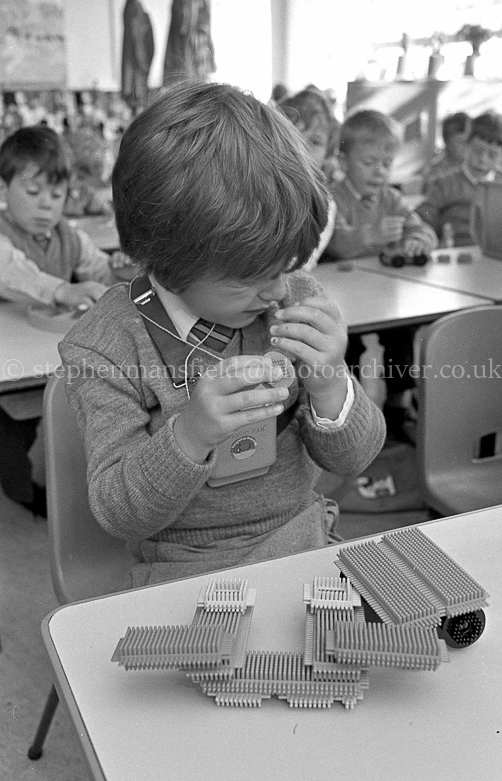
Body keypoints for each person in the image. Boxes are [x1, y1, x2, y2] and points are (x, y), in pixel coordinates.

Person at [58, 81, 386, 587]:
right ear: (167, 261)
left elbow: (355, 457)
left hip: (303, 545)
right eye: (252, 277)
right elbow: (119, 511)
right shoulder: (106, 345)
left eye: (288, 265)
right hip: (186, 570)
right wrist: (191, 434)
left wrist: (330, 384)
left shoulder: (292, 295)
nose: (279, 289)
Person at [0, 125, 127, 516]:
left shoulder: (68, 235)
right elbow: (13, 272)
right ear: (4, 191)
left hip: (49, 352)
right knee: (9, 437)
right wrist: (61, 290)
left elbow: (98, 269)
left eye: (55, 196)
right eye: (33, 193)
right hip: (9, 362)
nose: (45, 207)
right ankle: (23, 491)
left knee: (80, 410)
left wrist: (118, 269)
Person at [321, 109, 437, 444]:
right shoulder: (333, 198)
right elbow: (338, 242)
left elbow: (422, 227)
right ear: (343, 161)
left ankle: (399, 407)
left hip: (385, 298)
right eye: (369, 162)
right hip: (345, 302)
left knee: (401, 339)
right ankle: (349, 411)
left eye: (386, 163)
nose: (379, 171)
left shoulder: (392, 198)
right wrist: (373, 234)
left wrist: (418, 239)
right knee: (348, 348)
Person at [277, 85, 341, 269]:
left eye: (315, 142)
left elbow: (301, 267)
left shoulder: (325, 207)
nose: (303, 149)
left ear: (328, 153)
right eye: (294, 137)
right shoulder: (257, 190)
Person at [417, 110, 502, 247]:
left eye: (492, 155)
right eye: (477, 151)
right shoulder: (445, 183)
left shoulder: (499, 183)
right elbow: (425, 213)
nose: (483, 159)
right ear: (467, 144)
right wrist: (427, 233)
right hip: (456, 251)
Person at [421, 111, 471, 188]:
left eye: (469, 141)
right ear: (447, 142)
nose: (466, 146)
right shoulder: (435, 169)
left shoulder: (473, 166)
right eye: (460, 141)